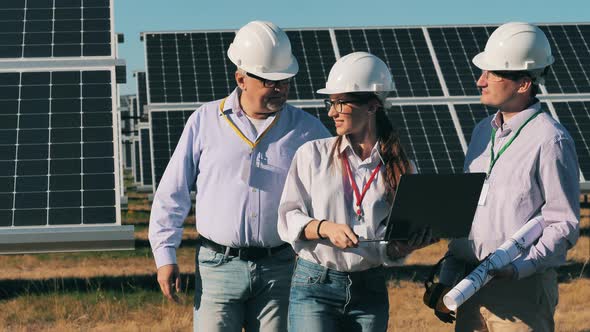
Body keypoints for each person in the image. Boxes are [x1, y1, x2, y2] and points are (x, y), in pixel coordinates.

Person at [148, 20, 330, 332]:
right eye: (270, 81)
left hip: (280, 267)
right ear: (241, 78)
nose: (280, 88)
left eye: (285, 81)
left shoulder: (308, 129)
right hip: (217, 267)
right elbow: (172, 193)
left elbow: (342, 180)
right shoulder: (205, 121)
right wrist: (165, 256)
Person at [434, 22, 580, 332]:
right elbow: (468, 216)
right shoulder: (481, 133)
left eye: (491, 74)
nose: (479, 81)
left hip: (520, 294)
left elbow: (563, 224)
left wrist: (517, 268)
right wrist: (446, 278)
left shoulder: (550, 140)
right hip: (470, 286)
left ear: (524, 83)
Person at [278, 52, 433, 332]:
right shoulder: (312, 155)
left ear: (372, 106)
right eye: (331, 103)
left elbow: (391, 245)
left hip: (369, 287)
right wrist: (325, 228)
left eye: (340, 103)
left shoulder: (402, 166)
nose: (331, 112)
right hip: (315, 285)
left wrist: (403, 247)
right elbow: (288, 218)